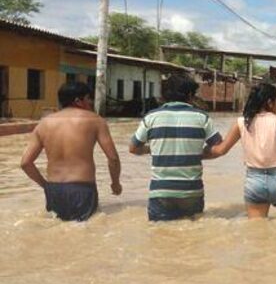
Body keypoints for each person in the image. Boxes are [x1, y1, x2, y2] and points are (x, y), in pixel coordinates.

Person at [205, 82, 276, 219]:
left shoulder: (241, 122)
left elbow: (221, 150)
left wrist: (195, 154)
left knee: (257, 230)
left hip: (254, 181)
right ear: (269, 102)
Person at [19, 82, 122, 221]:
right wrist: (115, 183)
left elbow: (25, 163)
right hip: (82, 189)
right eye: (88, 98)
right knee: (84, 234)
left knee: (58, 233)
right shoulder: (95, 120)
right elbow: (113, 158)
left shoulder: (44, 123)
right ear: (78, 101)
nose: (90, 102)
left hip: (54, 190)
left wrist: (45, 186)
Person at [129, 73, 222, 222]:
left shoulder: (151, 117)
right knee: (192, 240)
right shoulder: (202, 117)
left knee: (159, 238)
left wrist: (152, 149)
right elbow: (218, 147)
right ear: (190, 95)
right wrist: (195, 152)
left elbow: (133, 148)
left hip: (161, 192)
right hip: (191, 192)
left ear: (164, 95)